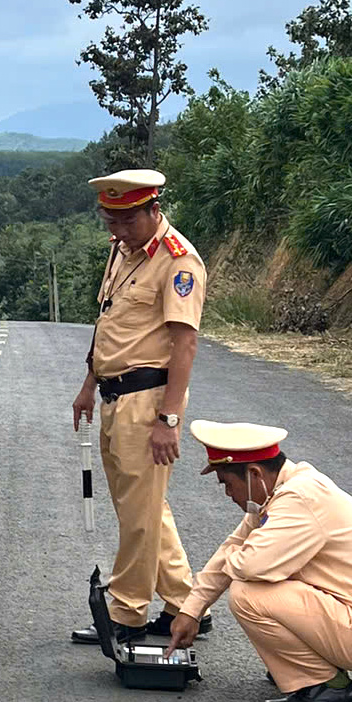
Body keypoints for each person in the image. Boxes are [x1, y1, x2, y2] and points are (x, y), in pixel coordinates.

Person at [166, 420, 352, 702]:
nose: (227, 492)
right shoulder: (285, 489)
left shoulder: (298, 499)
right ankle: (301, 667)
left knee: (248, 594)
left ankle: (327, 687)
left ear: (254, 474)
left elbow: (249, 565)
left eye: (226, 482)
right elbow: (235, 548)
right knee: (256, 573)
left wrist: (242, 552)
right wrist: (191, 611)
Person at [70, 168, 211, 647]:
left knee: (137, 514)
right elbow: (108, 320)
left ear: (154, 210)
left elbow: (184, 346)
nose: (117, 231)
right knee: (145, 507)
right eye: (110, 220)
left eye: (127, 221)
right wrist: (88, 384)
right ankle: (184, 604)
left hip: (148, 400)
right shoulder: (122, 251)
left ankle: (126, 613)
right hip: (113, 394)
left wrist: (168, 421)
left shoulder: (179, 263)